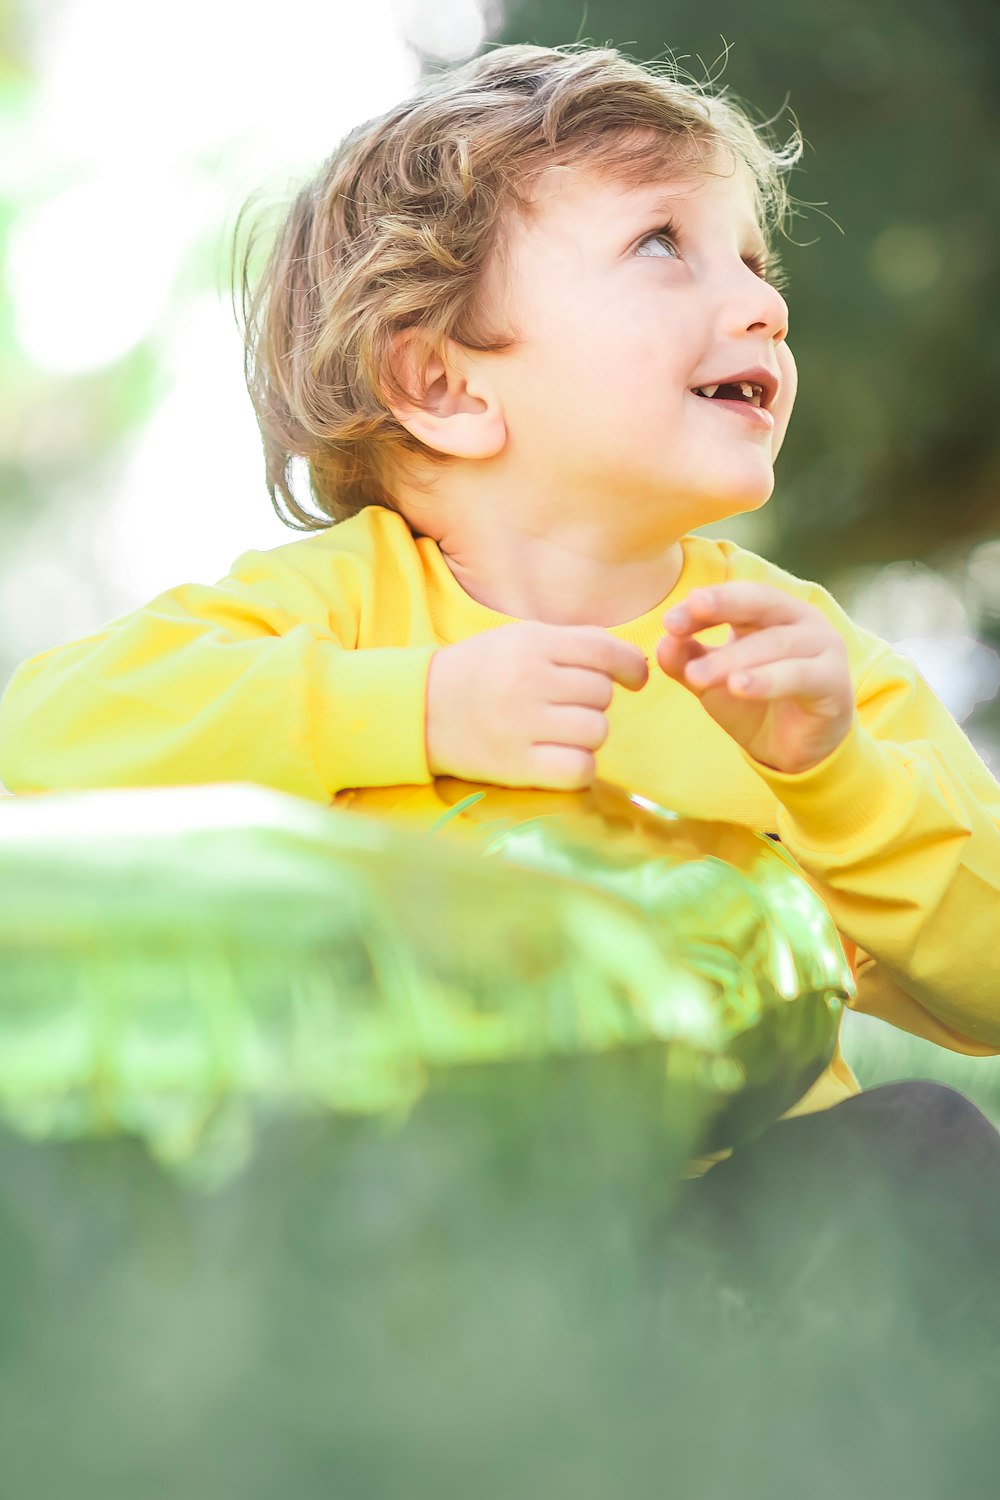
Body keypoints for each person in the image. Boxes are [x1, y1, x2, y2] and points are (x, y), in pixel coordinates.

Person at [1, 45, 999, 1247]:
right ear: (442, 384)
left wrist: (835, 778)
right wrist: (414, 709)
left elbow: (983, 987)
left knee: (922, 1146)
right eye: (661, 245)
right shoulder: (346, 605)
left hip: (730, 1211)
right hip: (417, 1204)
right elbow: (44, 740)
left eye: (751, 258)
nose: (763, 303)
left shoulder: (797, 670)